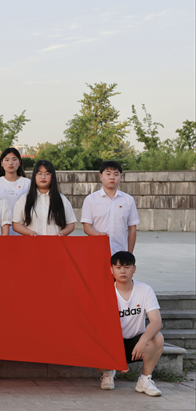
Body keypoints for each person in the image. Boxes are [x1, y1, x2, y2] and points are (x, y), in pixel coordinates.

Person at [99, 251, 164, 396]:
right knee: (94, 341)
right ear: (111, 269)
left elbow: (156, 321)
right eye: (118, 267)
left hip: (136, 344)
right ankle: (108, 372)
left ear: (134, 269)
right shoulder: (105, 291)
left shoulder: (145, 290)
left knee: (157, 337)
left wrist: (143, 340)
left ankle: (145, 380)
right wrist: (117, 359)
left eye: (127, 267)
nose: (123, 271)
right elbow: (98, 326)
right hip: (112, 343)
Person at [82, 161, 140, 254]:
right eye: (108, 174)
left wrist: (129, 254)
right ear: (101, 176)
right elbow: (87, 227)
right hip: (97, 251)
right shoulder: (91, 199)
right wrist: (100, 235)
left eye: (116, 174)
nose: (112, 177)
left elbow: (132, 228)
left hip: (120, 252)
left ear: (120, 177)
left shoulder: (128, 200)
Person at [12, 160, 76, 236]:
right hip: (32, 242)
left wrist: (61, 233)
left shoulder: (62, 199)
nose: (43, 177)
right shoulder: (24, 199)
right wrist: (30, 233)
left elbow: (70, 224)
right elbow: (16, 224)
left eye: (47, 173)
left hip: (55, 242)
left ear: (52, 176)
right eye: (39, 173)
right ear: (34, 176)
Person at [0, 147, 31, 235]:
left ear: (19, 162)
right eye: (7, 160)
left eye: (14, 159)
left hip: (22, 231)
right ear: (2, 163)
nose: (11, 163)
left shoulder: (27, 183)